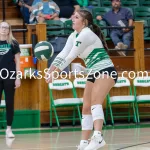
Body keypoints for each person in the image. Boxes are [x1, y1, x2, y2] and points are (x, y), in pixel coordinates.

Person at [45, 9, 118, 150]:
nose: (72, 18)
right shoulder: (74, 35)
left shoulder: (86, 34)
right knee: (86, 107)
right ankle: (84, 143)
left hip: (106, 70)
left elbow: (71, 56)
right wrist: (50, 70)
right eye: (73, 15)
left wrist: (56, 73)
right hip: (93, 72)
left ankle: (98, 138)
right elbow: (63, 54)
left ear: (84, 22)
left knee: (95, 102)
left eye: (76, 17)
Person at [0, 21, 21, 138]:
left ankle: (8, 129)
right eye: (2, 27)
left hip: (9, 75)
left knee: (9, 103)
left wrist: (18, 77)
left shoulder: (13, 43)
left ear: (9, 30)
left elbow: (18, 61)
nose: (4, 29)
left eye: (6, 28)